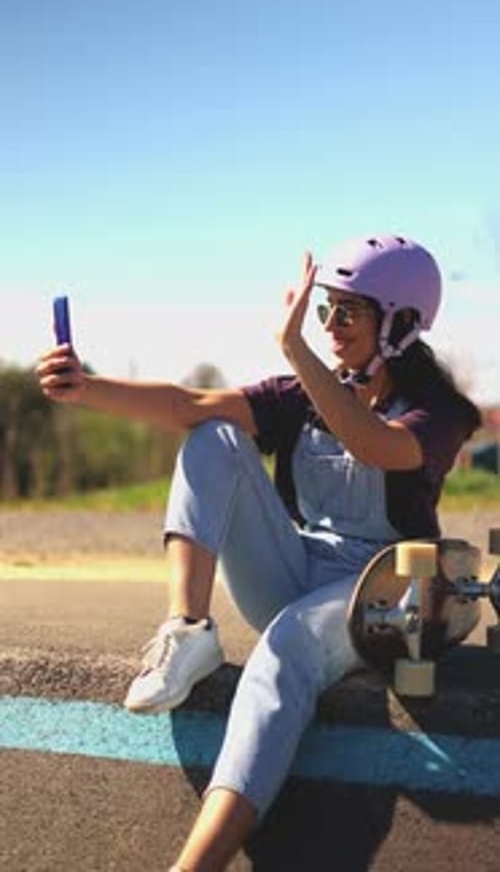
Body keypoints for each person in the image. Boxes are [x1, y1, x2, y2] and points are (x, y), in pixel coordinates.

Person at [37, 234, 481, 871]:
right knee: (212, 435)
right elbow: (186, 405)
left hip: (379, 594)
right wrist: (87, 387)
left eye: (347, 312)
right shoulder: (301, 394)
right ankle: (187, 630)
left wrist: (295, 348)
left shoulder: (440, 412)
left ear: (402, 324)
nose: (329, 325)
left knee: (287, 648)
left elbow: (377, 447)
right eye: (325, 309)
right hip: (293, 571)